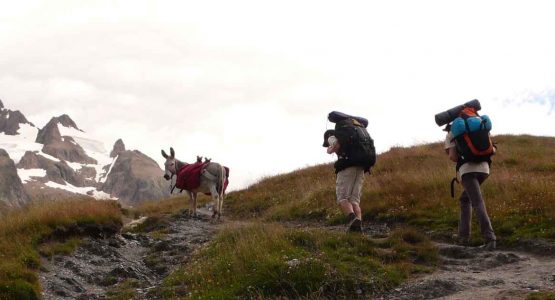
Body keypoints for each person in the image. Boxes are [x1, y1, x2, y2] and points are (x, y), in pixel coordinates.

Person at [444, 125, 496, 250]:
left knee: (477, 202)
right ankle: (463, 236)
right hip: (484, 169)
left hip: (468, 171)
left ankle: (490, 238)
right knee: (465, 199)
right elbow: (492, 149)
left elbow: (453, 157)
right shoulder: (478, 128)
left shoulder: (452, 133)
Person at [324, 129, 367, 233]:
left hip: (347, 168)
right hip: (360, 168)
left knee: (342, 198)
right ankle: (358, 228)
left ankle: (353, 220)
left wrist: (330, 150)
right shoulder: (353, 137)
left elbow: (337, 145)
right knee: (354, 201)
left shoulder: (331, 136)